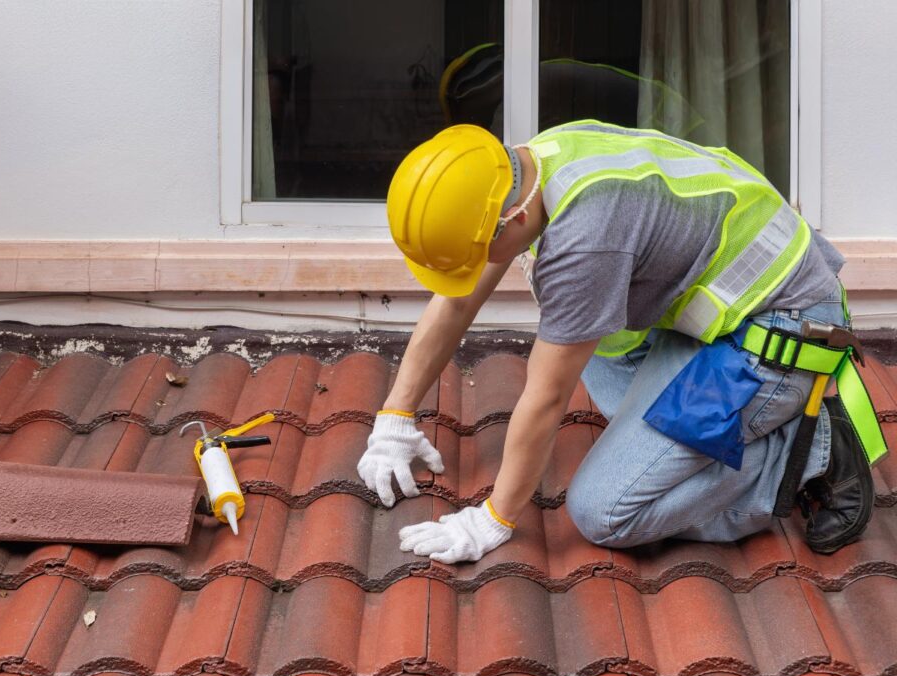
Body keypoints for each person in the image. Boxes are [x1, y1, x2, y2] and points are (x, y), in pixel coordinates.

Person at [356, 121, 886, 564]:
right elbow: (457, 301)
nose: (479, 272)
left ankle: (805, 455)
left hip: (782, 331)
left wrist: (493, 519)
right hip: (727, 313)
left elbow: (545, 397)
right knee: (598, 346)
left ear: (511, 220)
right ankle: (715, 431)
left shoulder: (586, 239)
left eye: (479, 253)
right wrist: (395, 419)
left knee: (604, 511)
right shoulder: (534, 163)